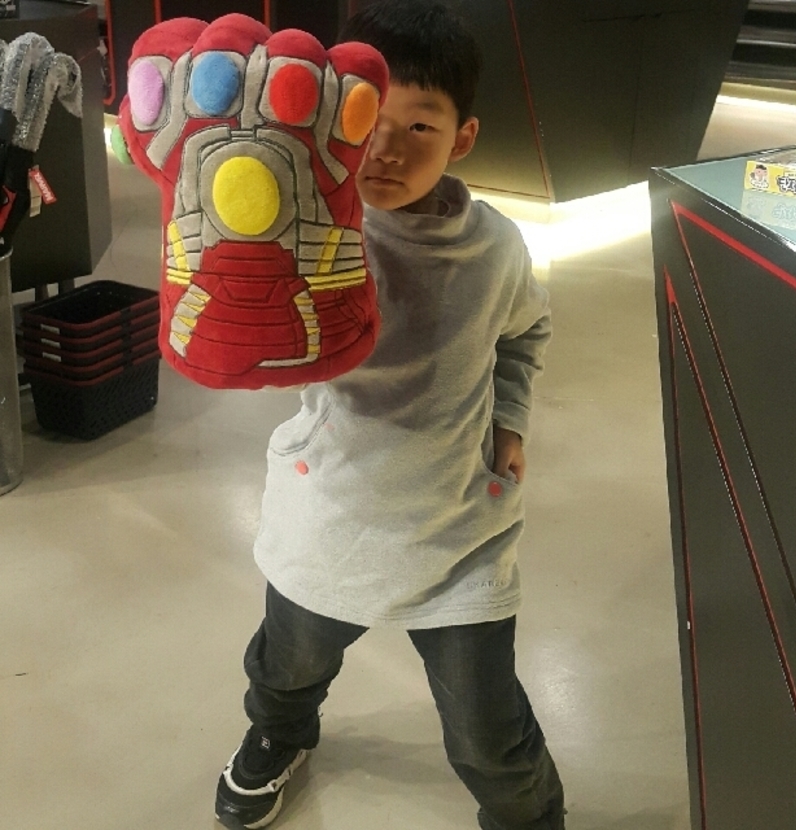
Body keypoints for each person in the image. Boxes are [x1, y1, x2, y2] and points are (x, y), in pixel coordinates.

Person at [214, 1, 565, 828]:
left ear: (462, 139)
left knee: (488, 733)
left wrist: (510, 418)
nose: (386, 149)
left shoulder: (497, 250)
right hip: (329, 512)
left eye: (420, 127)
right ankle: (280, 733)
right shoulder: (308, 229)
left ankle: (530, 815)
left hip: (457, 532)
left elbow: (524, 331)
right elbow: (247, 326)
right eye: (369, 119)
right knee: (288, 666)